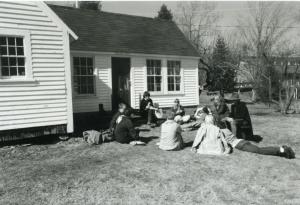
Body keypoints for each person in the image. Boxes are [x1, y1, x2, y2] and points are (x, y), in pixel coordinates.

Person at [192, 115, 295, 159]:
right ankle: (281, 150)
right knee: (259, 149)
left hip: (240, 145)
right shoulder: (224, 129)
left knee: (259, 150)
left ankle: (282, 149)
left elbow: (219, 142)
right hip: (241, 141)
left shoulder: (219, 131)